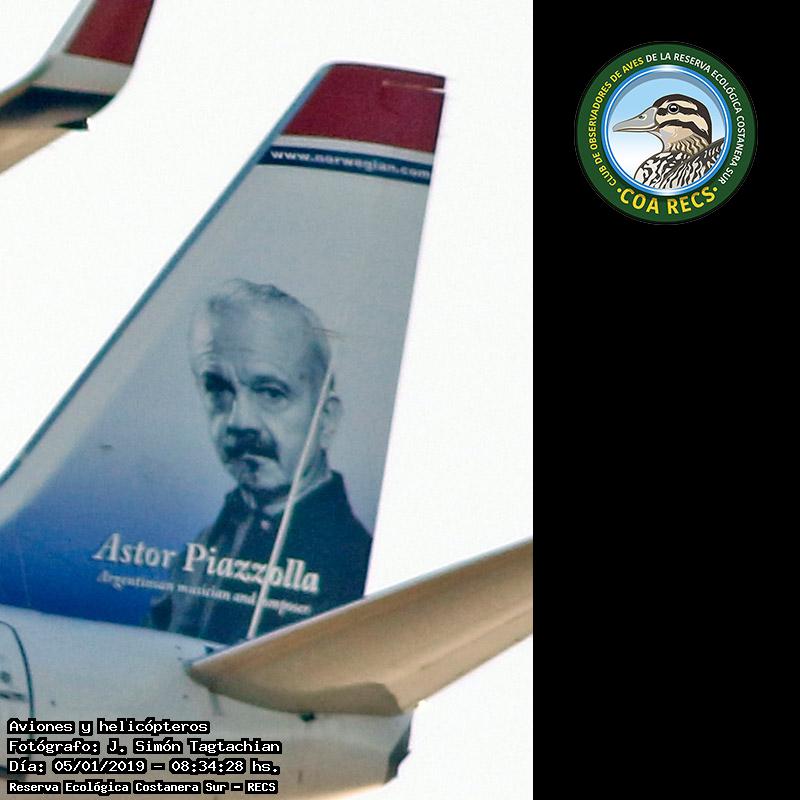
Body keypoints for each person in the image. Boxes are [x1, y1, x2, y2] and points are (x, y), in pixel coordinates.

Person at [148, 280, 371, 644]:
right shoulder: (204, 547)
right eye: (218, 389)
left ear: (326, 420)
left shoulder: (353, 572)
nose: (240, 422)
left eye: (271, 393)